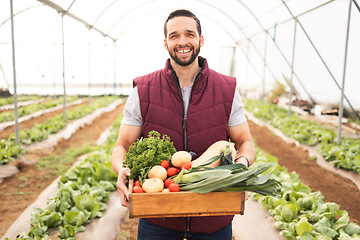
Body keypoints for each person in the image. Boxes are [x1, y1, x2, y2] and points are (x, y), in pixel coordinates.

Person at [112, 9, 256, 240]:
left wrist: (240, 166)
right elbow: (123, 145)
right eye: (174, 36)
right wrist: (121, 169)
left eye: (189, 34)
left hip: (213, 216)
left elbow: (244, 142)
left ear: (200, 39)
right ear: (165, 42)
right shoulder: (143, 90)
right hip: (158, 218)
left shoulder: (226, 88)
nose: (182, 42)